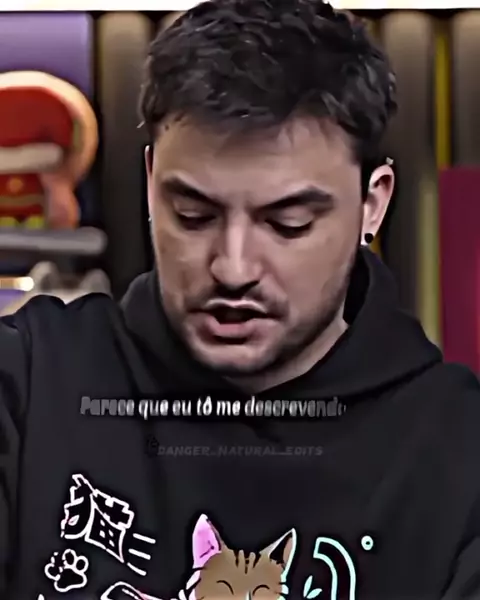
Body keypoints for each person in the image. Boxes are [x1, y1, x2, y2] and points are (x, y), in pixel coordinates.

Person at [1, 1, 480, 599]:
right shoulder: (29, 382)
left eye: (288, 223)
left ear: (372, 204)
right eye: (192, 215)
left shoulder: (459, 452)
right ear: (150, 183)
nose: (232, 269)